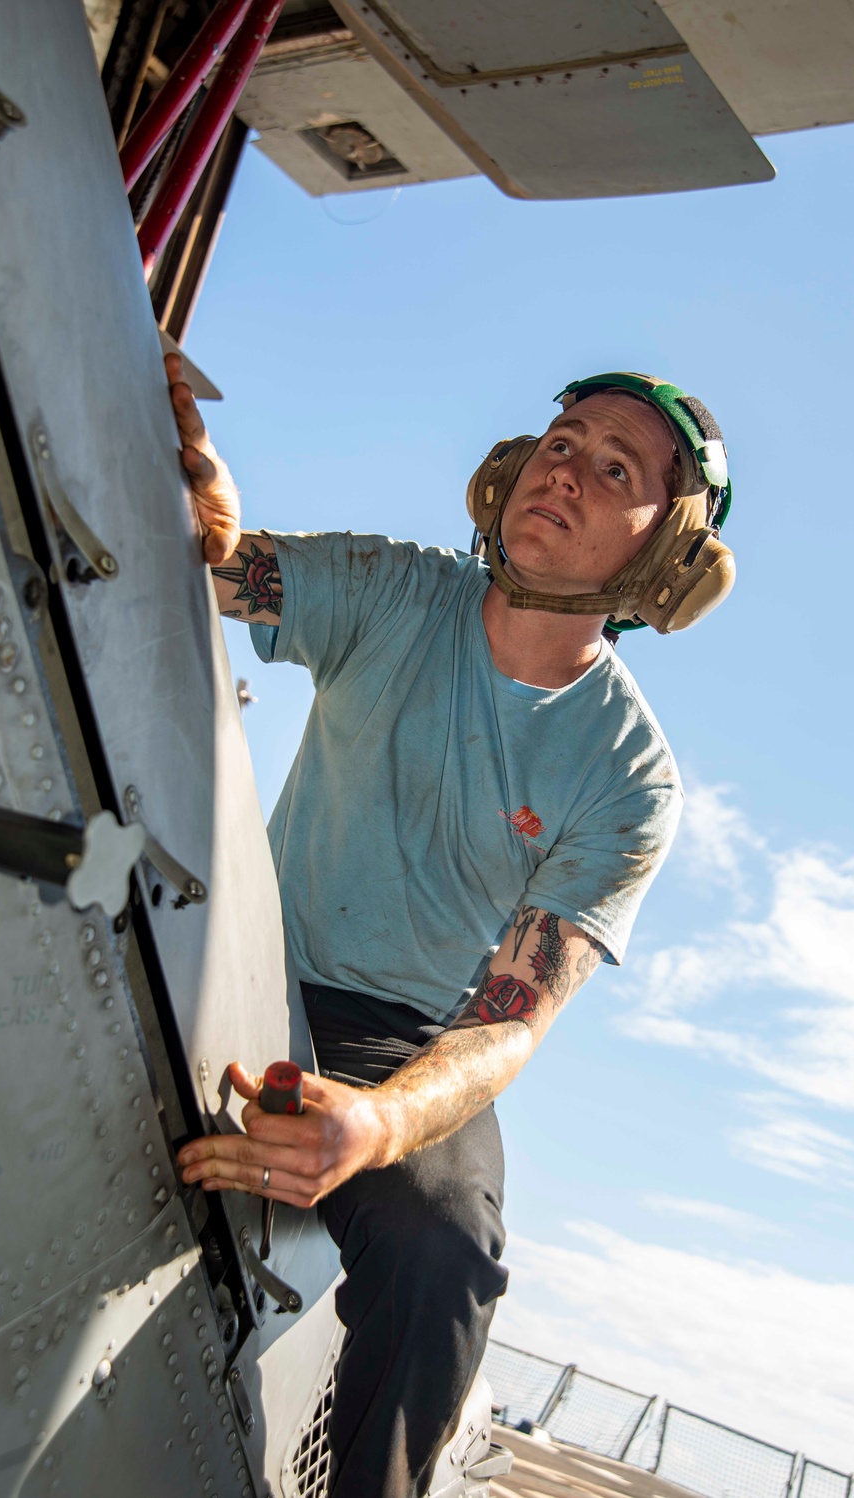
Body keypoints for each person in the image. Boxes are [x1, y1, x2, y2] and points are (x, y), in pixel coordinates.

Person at [168, 354, 735, 1497]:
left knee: (445, 1257)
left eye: (612, 467)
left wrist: (376, 1130)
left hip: (408, 1043)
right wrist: (191, 498)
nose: (563, 470)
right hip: (253, 949)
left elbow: (509, 1022)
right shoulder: (396, 589)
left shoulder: (629, 777)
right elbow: (222, 569)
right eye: (560, 442)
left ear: (664, 553)